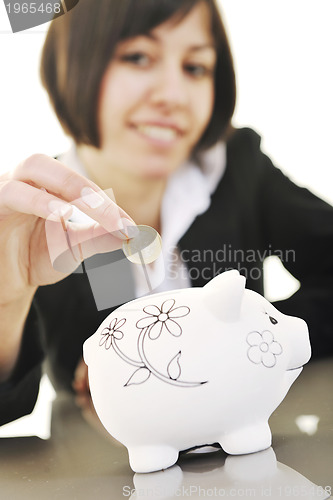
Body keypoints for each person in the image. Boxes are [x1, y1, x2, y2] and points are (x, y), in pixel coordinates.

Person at [1, 0, 333, 427]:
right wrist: (6, 295)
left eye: (195, 67)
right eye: (138, 57)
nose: (174, 96)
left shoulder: (236, 169)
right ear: (70, 65)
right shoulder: (35, 218)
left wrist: (251, 338)